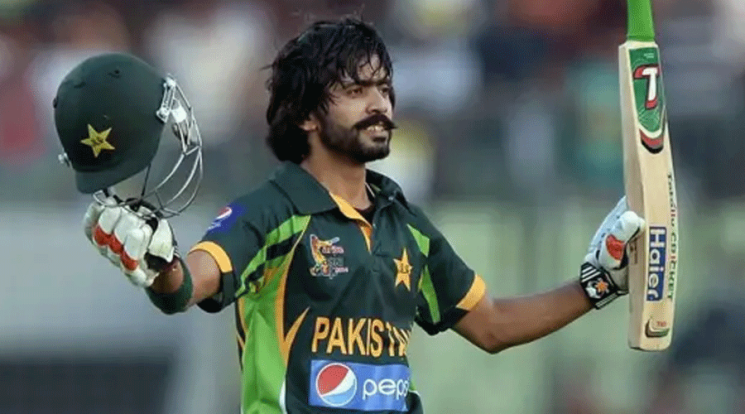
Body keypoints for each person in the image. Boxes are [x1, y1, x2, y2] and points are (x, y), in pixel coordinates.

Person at [53, 18, 645, 414]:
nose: (380, 103)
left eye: (383, 87)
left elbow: (491, 325)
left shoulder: (404, 224)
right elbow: (188, 285)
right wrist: (158, 265)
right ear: (308, 115)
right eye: (357, 90)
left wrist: (598, 284)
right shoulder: (273, 210)